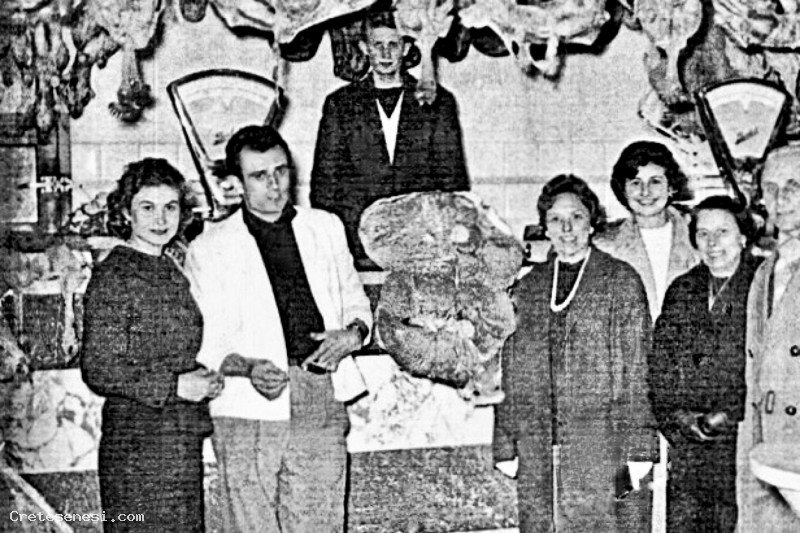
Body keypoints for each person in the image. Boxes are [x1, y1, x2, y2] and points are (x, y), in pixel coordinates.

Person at [184, 125, 372, 533]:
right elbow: (206, 343)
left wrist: (352, 334)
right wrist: (248, 367)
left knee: (320, 525)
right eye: (259, 175)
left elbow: (357, 304)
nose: (275, 185)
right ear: (235, 184)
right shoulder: (209, 248)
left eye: (281, 171)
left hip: (318, 392)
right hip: (247, 405)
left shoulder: (326, 227)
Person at [494, 174, 657, 532]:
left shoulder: (620, 281)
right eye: (556, 219)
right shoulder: (529, 287)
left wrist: (640, 449)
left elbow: (638, 369)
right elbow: (510, 370)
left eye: (577, 217)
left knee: (612, 522)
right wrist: (505, 442)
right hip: (539, 445)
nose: (567, 228)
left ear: (592, 222)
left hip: (606, 444)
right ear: (544, 227)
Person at [80, 158, 223, 532]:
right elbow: (99, 368)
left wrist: (199, 377)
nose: (161, 219)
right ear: (126, 213)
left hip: (177, 440)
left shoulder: (169, 267)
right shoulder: (115, 274)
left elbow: (168, 350)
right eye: (147, 207)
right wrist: (176, 386)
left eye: (170, 207)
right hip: (136, 446)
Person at [310, 8, 469, 267]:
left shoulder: (440, 103)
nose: (385, 54)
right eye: (378, 45)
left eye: (393, 45)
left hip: (421, 247)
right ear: (364, 48)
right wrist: (334, 247)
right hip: (358, 247)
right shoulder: (340, 104)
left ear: (406, 49)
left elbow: (452, 182)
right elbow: (324, 184)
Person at [594, 140, 698, 532]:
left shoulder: (700, 235)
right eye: (634, 182)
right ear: (622, 189)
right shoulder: (603, 245)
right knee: (628, 488)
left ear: (672, 186)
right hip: (627, 387)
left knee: (686, 494)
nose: (645, 191)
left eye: (656, 181)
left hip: (689, 383)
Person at [649, 196, 761, 532]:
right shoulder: (683, 289)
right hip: (690, 448)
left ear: (743, 236)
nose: (712, 243)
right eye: (703, 234)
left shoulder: (763, 284)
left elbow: (772, 369)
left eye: (722, 232)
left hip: (744, 442)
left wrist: (727, 415)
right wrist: (677, 418)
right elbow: (660, 366)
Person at [737, 145, 800, 532]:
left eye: (794, 185)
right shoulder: (764, 273)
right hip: (765, 447)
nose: (781, 198)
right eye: (771, 188)